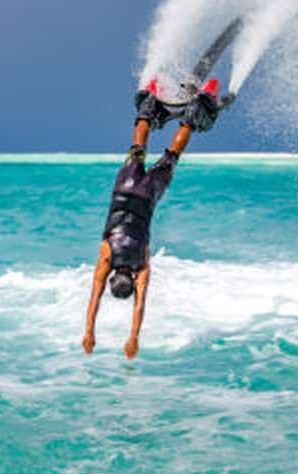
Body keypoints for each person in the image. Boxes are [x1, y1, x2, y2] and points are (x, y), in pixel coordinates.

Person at [82, 77, 222, 359]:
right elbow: (93, 300)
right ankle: (149, 102)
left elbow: (140, 306)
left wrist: (134, 338)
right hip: (124, 191)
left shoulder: (141, 265)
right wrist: (89, 331)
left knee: (172, 155)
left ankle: (194, 112)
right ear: (111, 280)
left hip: (147, 197)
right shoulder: (105, 257)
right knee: (138, 147)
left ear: (132, 282)